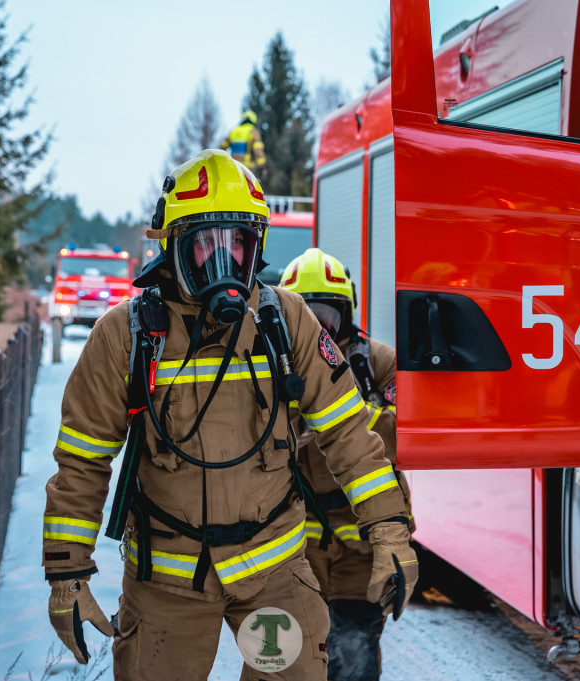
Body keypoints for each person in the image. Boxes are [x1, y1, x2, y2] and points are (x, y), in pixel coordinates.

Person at [41, 149, 417, 680]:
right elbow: (81, 461)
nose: (225, 260)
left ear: (255, 246)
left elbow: (351, 437)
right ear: (172, 247)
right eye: (205, 242)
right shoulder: (125, 336)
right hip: (166, 581)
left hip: (273, 576)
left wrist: (388, 532)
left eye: (238, 241)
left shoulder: (285, 320)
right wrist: (68, 573)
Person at [279, 247, 413, 681]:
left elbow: (407, 431)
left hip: (360, 546)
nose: (319, 327)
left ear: (346, 314)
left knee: (354, 652)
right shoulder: (271, 368)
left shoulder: (377, 363)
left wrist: (344, 414)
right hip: (296, 543)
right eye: (305, 313)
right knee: (287, 654)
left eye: (328, 315)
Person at [221, 109, 267, 179]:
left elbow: (222, 148)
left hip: (233, 166)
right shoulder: (253, 132)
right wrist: (261, 167)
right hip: (247, 168)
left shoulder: (233, 131)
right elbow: (258, 151)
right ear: (254, 120)